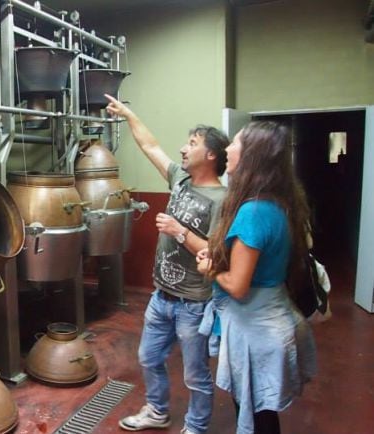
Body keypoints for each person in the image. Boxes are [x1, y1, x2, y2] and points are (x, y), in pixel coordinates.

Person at [105, 94, 228, 434]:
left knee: (195, 373)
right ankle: (158, 411)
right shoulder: (180, 180)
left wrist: (180, 232)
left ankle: (197, 426)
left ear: (212, 155)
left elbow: (218, 255)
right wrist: (129, 115)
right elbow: (150, 146)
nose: (183, 149)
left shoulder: (224, 200)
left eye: (192, 143)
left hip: (195, 304)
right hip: (161, 297)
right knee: (148, 357)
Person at [196, 121, 317, 434]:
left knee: (255, 416)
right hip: (272, 320)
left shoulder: (253, 212)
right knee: (262, 413)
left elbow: (237, 285)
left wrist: (210, 269)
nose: (227, 149)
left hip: (255, 332)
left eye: (235, 143)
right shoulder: (278, 204)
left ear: (252, 156)